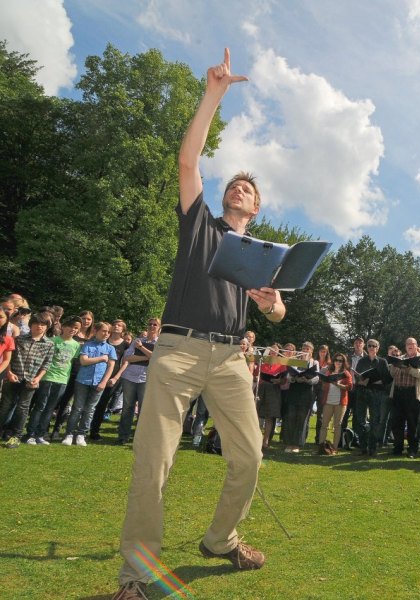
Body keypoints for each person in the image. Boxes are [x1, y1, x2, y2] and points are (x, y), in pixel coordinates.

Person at [113, 49, 286, 600]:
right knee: (154, 462)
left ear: (256, 208)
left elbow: (279, 311)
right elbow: (188, 162)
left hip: (231, 358)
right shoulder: (201, 226)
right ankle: (137, 575)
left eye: (248, 189)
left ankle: (221, 539)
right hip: (180, 350)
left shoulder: (261, 255)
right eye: (234, 184)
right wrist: (214, 95)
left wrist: (271, 305)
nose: (239, 189)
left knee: (250, 456)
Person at [26, 315, 82, 444]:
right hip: (47, 377)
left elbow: (72, 362)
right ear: (63, 327)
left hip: (62, 380)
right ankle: (30, 434)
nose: (73, 329)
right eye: (70, 326)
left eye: (76, 328)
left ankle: (40, 434)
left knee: (50, 408)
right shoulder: (52, 341)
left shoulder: (76, 345)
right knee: (40, 406)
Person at [0, 314, 54, 448]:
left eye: (43, 324)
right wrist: (9, 372)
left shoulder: (49, 344)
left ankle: (16, 436)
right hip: (13, 376)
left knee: (23, 408)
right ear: (30, 325)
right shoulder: (19, 339)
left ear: (47, 327)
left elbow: (46, 364)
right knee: (5, 406)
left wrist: (38, 378)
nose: (39, 326)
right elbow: (9, 358)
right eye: (36, 323)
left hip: (31, 380)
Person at [62, 322, 117, 447]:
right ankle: (69, 434)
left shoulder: (110, 349)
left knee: (90, 410)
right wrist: (101, 358)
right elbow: (83, 361)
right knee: (77, 408)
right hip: (83, 381)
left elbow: (111, 367)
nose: (106, 334)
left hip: (99, 382)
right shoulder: (87, 345)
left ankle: (81, 434)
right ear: (96, 331)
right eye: (104, 331)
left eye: (109, 332)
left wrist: (104, 382)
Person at [116, 318, 159, 444]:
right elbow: (127, 358)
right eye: (150, 324)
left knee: (143, 409)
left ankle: (139, 438)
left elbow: (157, 358)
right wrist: (148, 356)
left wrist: (141, 348)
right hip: (129, 377)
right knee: (127, 407)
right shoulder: (137, 340)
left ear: (159, 328)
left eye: (155, 324)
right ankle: (123, 436)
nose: (152, 326)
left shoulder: (160, 343)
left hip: (146, 378)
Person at [388, 337, 420, 458]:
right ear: (405, 346)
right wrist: (394, 366)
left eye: (412, 343)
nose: (410, 345)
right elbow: (392, 375)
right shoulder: (400, 357)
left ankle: (412, 449)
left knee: (412, 423)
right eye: (407, 344)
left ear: (416, 345)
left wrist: (409, 369)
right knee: (397, 421)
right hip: (397, 392)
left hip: (412, 393)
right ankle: (398, 448)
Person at [355, 339, 393, 456]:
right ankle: (363, 447)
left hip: (376, 393)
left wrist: (375, 381)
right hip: (362, 392)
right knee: (360, 420)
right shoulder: (362, 361)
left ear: (378, 348)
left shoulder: (382, 361)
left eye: (374, 346)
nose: (371, 348)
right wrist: (362, 381)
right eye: (369, 346)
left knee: (374, 421)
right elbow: (357, 377)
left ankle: (372, 447)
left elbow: (387, 379)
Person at [283, 341, 319, 453]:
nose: (305, 351)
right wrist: (294, 378)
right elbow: (288, 375)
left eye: (308, 349)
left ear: (311, 351)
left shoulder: (314, 362)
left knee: (302, 418)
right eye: (304, 348)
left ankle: (297, 444)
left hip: (306, 392)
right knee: (291, 416)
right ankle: (289, 443)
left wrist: (307, 380)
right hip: (294, 390)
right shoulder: (295, 360)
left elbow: (317, 378)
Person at [317, 353, 353, 453]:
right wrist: (324, 381)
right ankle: (321, 447)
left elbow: (350, 387)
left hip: (340, 403)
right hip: (328, 401)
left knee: (337, 425)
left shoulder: (346, 373)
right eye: (336, 360)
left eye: (340, 361)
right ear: (333, 361)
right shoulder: (328, 372)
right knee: (324, 425)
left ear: (343, 362)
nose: (338, 362)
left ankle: (335, 448)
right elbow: (324, 386)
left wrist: (338, 385)